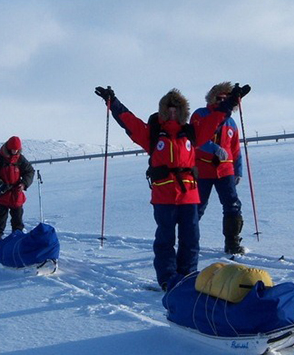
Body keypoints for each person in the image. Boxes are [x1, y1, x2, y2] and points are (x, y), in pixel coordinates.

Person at [94, 84, 250, 290]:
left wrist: (231, 101)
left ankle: (187, 277)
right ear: (163, 111)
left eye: (177, 109)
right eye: (169, 109)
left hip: (189, 197)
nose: (173, 112)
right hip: (164, 197)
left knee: (191, 240)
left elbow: (215, 120)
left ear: (183, 112)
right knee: (165, 240)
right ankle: (168, 279)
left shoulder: (192, 133)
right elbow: (129, 122)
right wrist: (112, 102)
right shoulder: (153, 135)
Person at [190, 82, 245, 255]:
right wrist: (214, 149)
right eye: (220, 98)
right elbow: (196, 139)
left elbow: (235, 149)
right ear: (213, 97)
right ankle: (189, 241)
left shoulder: (231, 122)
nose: (223, 101)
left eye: (226, 99)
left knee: (232, 205)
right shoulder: (200, 115)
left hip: (225, 171)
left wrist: (238, 170)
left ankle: (232, 243)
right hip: (203, 169)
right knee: (197, 207)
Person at [0, 136, 35, 258]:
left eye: (17, 150)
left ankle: (16, 248)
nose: (15, 152)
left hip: (16, 196)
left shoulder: (20, 159)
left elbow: (30, 171)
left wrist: (24, 183)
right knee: (0, 224)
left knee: (18, 224)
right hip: (3, 196)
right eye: (13, 150)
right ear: (8, 147)